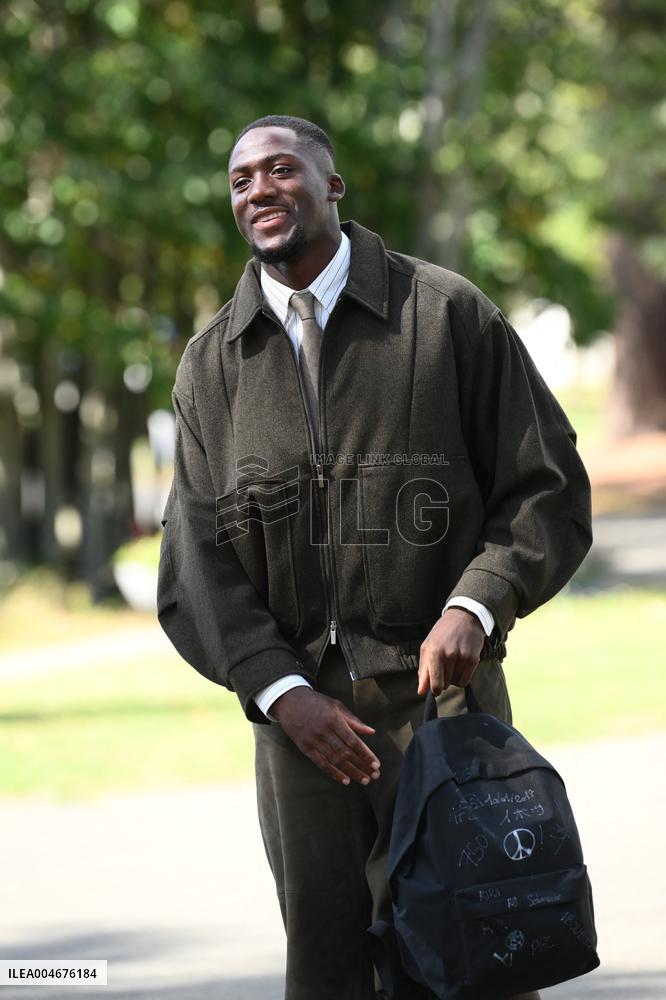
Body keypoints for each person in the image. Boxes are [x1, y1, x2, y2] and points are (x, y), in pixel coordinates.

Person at [157, 114, 592, 1000]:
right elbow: (196, 561)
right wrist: (281, 692)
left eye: (280, 171)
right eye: (241, 181)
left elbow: (544, 484)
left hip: (444, 707)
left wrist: (478, 603)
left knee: (470, 956)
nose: (258, 192)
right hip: (300, 731)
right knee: (328, 969)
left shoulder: (447, 315)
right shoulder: (211, 366)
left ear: (332, 186)